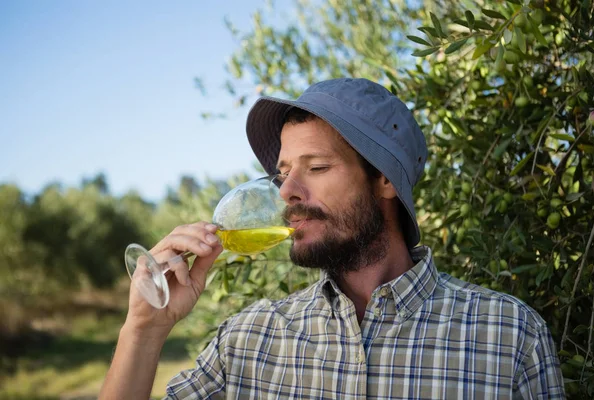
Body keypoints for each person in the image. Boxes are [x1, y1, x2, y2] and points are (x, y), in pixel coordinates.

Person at [99, 78, 565, 399]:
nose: (287, 192)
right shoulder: (249, 338)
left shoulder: (509, 335)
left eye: (317, 168)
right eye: (282, 173)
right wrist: (144, 330)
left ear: (384, 179)